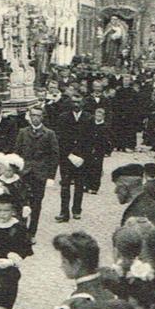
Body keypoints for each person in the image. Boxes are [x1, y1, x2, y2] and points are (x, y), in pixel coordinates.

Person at [13, 105, 60, 239]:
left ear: (42, 117)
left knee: (36, 204)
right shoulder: (23, 132)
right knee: (22, 202)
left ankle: (31, 233)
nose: (35, 118)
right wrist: (16, 171)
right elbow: (17, 153)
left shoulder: (49, 134)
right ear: (29, 116)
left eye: (38, 115)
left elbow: (54, 156)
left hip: (40, 175)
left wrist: (51, 176)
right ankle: (21, 230)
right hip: (24, 174)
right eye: (33, 115)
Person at [55, 94, 91, 222]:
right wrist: (68, 154)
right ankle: (64, 212)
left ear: (83, 103)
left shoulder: (88, 118)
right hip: (66, 157)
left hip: (82, 157)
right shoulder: (63, 118)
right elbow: (60, 138)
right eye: (74, 102)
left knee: (79, 185)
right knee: (65, 185)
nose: (76, 104)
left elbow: (90, 140)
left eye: (79, 102)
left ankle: (77, 210)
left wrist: (83, 156)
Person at [83, 106, 113, 194]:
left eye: (100, 116)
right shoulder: (90, 125)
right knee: (87, 166)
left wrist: (108, 151)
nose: (98, 117)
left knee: (97, 168)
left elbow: (109, 139)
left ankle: (94, 187)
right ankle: (86, 185)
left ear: (103, 116)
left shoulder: (106, 127)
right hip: (89, 149)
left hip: (99, 150)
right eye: (97, 115)